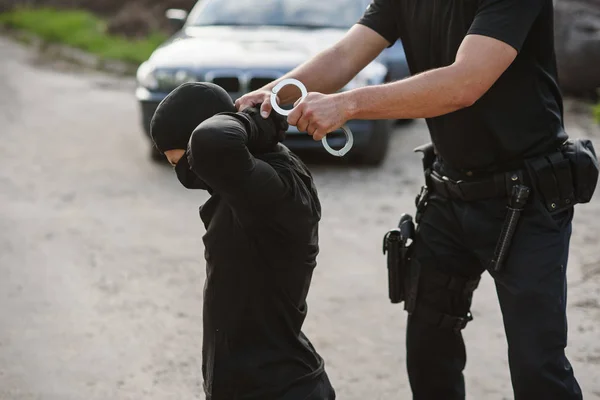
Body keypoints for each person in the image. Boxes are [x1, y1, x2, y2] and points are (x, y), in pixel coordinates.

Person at [235, 1, 595, 399]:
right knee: (428, 353)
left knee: (537, 367)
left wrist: (348, 104)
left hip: (528, 197)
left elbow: (465, 83)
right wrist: (271, 96)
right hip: (448, 190)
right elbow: (343, 55)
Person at [150, 82, 336, 400]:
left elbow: (213, 141)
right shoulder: (245, 183)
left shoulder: (275, 191)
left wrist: (252, 119)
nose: (183, 174)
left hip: (280, 389)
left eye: (178, 161)